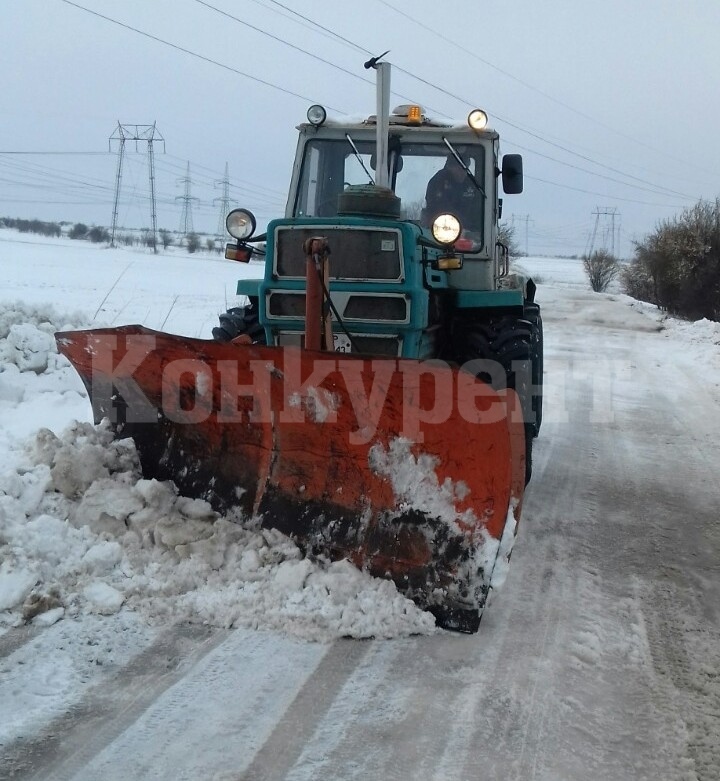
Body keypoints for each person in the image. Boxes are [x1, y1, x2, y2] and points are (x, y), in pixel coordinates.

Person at [424, 154, 482, 231]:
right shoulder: (437, 182)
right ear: (449, 167)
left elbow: (479, 207)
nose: (462, 173)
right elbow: (438, 207)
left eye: (465, 169)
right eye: (458, 168)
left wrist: (475, 229)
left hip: (470, 232)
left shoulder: (472, 184)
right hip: (440, 230)